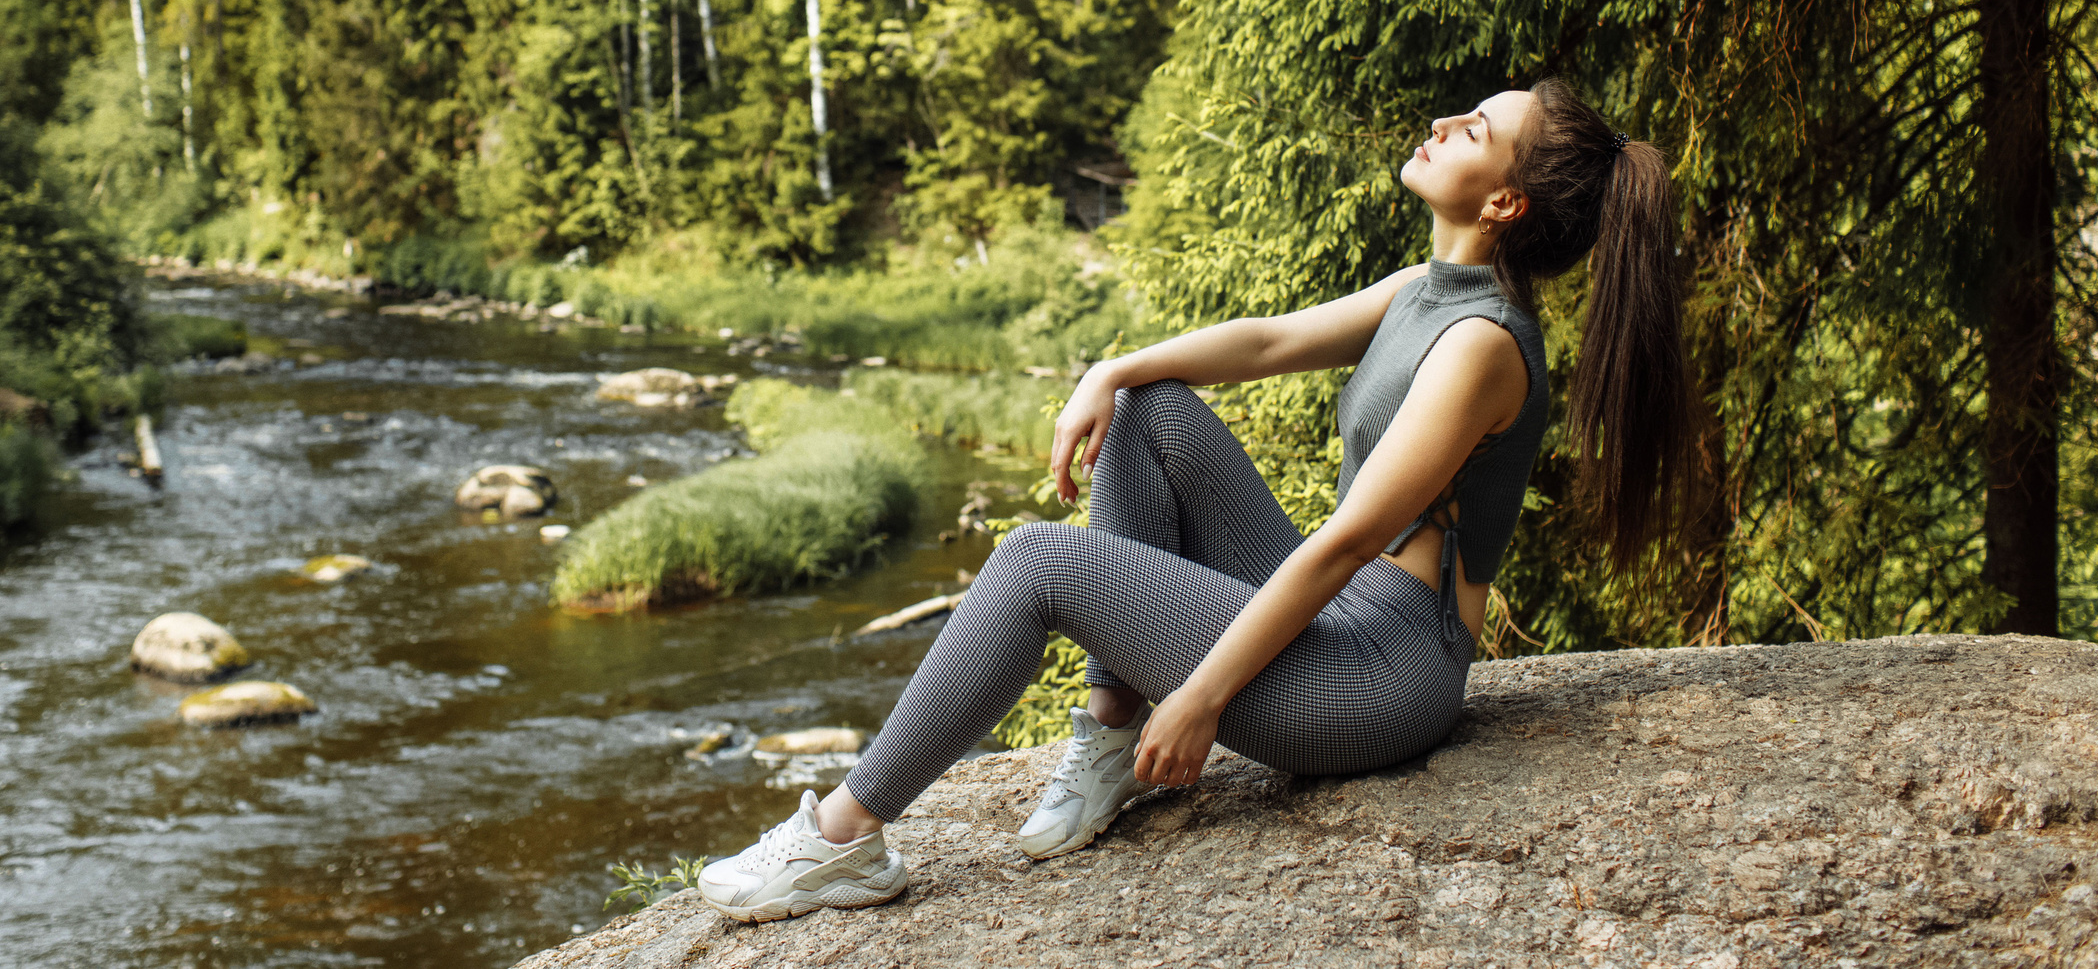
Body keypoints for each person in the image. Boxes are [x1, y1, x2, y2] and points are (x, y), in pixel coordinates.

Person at [692, 78, 1699, 923]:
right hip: (1346, 623)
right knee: (1149, 408)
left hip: (1383, 677)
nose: (1442, 125)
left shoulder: (1482, 346)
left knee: (1038, 561)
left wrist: (1202, 697)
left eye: (1474, 131)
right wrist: (1111, 368)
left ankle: (843, 843)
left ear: (1505, 205)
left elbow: (1346, 543)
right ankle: (1107, 737)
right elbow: (1264, 342)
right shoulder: (1420, 291)